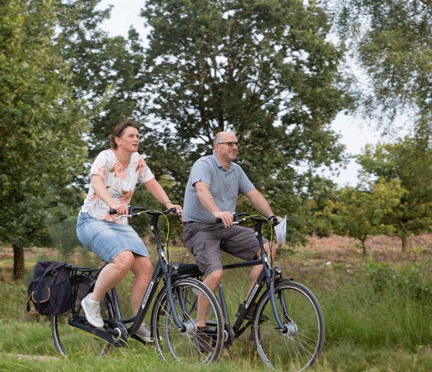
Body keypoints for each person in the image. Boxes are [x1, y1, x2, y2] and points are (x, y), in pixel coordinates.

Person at [76, 119, 183, 342]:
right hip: (92, 221)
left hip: (119, 225)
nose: (136, 139)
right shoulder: (105, 157)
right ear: (118, 140)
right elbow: (96, 183)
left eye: (137, 136)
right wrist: (112, 205)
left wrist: (168, 204)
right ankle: (92, 300)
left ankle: (138, 322)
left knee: (145, 266)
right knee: (123, 259)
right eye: (131, 136)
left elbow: (152, 182)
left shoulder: (136, 160)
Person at [182, 131, 279, 346]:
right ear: (217, 147)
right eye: (229, 144)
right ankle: (199, 327)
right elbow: (201, 189)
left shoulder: (236, 170)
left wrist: (271, 216)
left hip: (226, 227)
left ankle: (249, 305)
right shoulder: (203, 164)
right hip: (199, 228)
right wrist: (217, 211)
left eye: (236, 143)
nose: (234, 147)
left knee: (267, 248)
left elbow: (253, 194)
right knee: (215, 273)